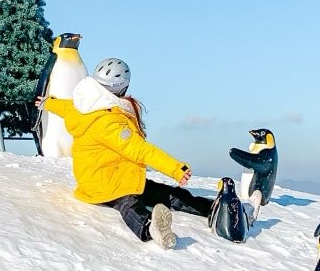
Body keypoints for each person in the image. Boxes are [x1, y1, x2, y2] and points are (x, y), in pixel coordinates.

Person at [37, 57, 213, 249]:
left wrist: (47, 103)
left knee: (163, 192)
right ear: (123, 87)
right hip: (104, 183)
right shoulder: (108, 121)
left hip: (108, 174)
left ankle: (211, 208)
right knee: (128, 203)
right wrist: (175, 168)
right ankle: (149, 228)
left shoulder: (84, 103)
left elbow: (64, 106)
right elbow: (140, 149)